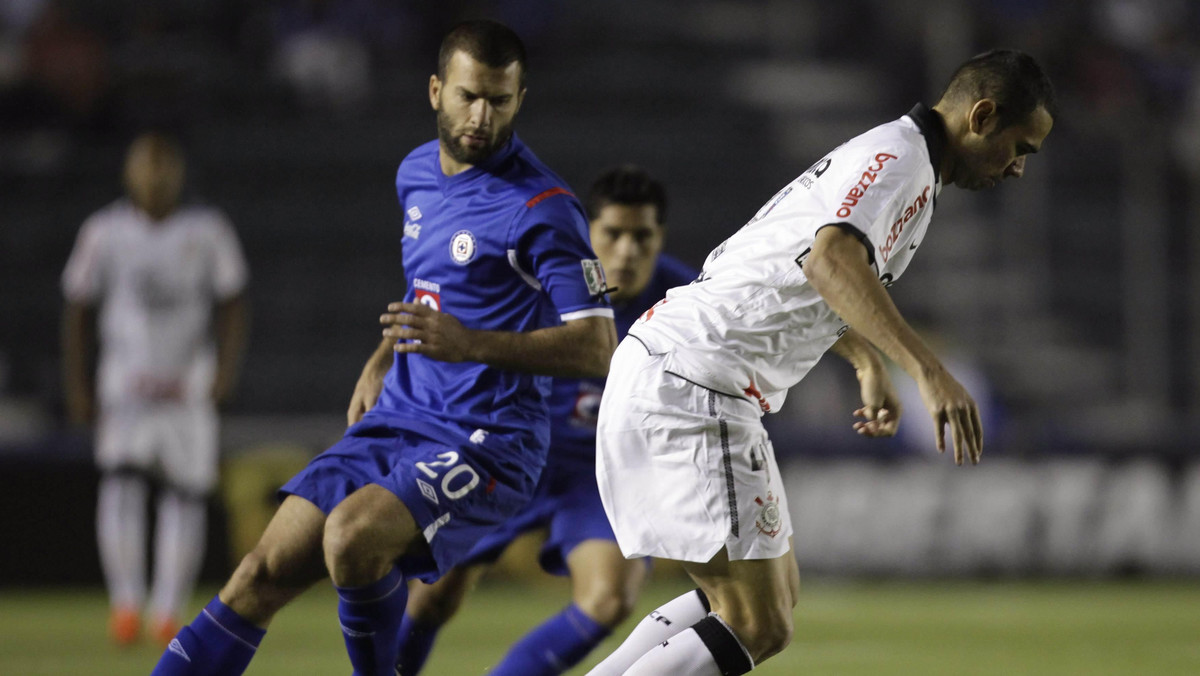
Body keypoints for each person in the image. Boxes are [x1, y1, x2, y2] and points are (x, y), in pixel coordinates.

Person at [149, 19, 617, 676]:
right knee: (258, 573)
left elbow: (597, 347)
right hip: (400, 414)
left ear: (519, 99)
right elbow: (428, 293)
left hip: (489, 437)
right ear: (435, 91)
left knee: (351, 537)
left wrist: (469, 344)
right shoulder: (416, 175)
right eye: (467, 96)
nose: (481, 116)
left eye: (499, 101)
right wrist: (383, 357)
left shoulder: (543, 207)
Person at [586, 49, 1056, 675]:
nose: (1018, 168)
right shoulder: (899, 163)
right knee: (758, 621)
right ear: (983, 114)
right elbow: (829, 262)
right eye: (1020, 146)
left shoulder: (895, 160)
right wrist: (926, 369)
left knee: (765, 597)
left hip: (683, 375)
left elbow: (789, 267)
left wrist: (866, 359)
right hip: (696, 384)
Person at [393, 166, 699, 675]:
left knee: (609, 600)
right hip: (509, 452)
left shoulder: (685, 299)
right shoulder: (542, 277)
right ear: (588, 234)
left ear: (659, 237)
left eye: (642, 236)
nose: (627, 250)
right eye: (613, 234)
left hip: (602, 477)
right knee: (431, 598)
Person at [61, 131, 250, 647]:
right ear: (128, 172)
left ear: (180, 173)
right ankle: (126, 606)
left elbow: (233, 299)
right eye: (146, 166)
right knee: (121, 486)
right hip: (125, 386)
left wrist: (223, 372)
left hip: (185, 387)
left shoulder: (207, 229)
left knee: (183, 496)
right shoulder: (104, 230)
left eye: (164, 166)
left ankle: (167, 609)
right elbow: (77, 306)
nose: (155, 176)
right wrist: (77, 382)